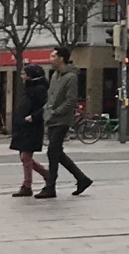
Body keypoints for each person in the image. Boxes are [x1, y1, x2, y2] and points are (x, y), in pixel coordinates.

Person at [39, 60, 92, 197]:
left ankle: (50, 186)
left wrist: (56, 111)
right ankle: (82, 179)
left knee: (52, 152)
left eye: (54, 55)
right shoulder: (55, 76)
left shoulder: (71, 77)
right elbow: (50, 97)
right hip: (52, 119)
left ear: (61, 59)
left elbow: (70, 100)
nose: (51, 58)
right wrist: (47, 112)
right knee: (57, 153)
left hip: (62, 120)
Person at [11, 71, 48, 197]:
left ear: (30, 76)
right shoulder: (28, 89)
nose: (22, 76)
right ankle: (46, 175)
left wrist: (32, 117)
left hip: (32, 127)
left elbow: (45, 107)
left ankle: (27, 185)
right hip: (24, 126)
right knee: (24, 157)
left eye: (24, 74)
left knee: (25, 157)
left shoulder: (38, 90)